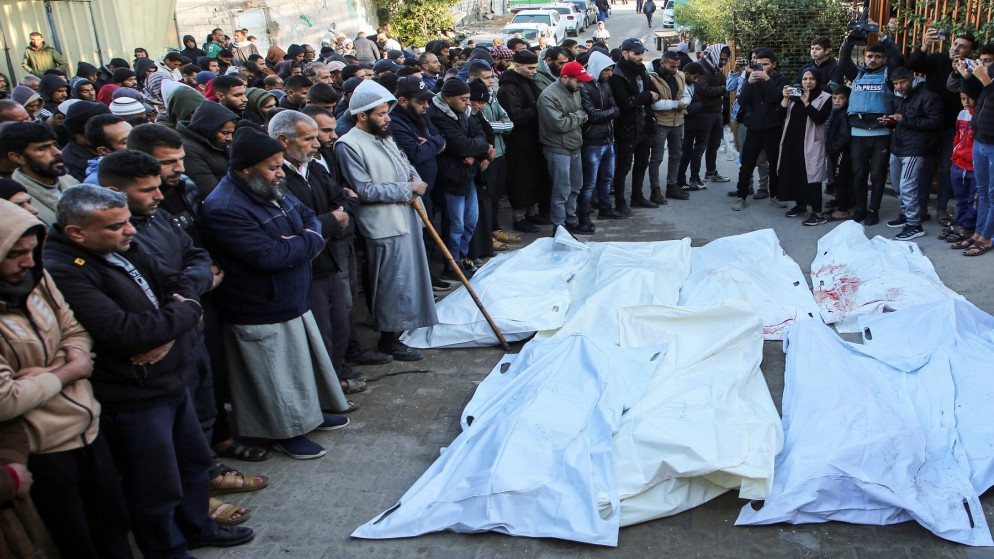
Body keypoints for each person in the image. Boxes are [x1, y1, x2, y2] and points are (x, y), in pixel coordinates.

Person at [45, 185, 255, 556]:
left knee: (191, 465)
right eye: (115, 226)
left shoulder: (125, 244)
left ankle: (197, 527)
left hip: (172, 380)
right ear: (77, 232)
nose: (129, 231)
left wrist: (174, 320)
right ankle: (166, 549)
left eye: (127, 222)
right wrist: (185, 314)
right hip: (134, 397)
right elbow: (124, 333)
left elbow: (179, 281)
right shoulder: (64, 270)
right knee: (154, 486)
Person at [200, 126, 351, 459]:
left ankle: (308, 416)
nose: (280, 172)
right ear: (245, 169)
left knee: (298, 367)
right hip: (258, 305)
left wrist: (302, 240)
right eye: (272, 166)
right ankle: (285, 432)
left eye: (280, 164)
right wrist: (308, 241)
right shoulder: (224, 206)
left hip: (290, 296)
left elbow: (309, 217)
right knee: (274, 377)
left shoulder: (271, 186)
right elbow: (269, 256)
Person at [0, 198, 132, 558]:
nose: (27, 262)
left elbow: (74, 329)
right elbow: (6, 398)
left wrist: (53, 369)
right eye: (15, 254)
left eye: (32, 250)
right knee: (76, 541)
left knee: (113, 528)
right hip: (40, 449)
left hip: (88, 427)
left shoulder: (38, 278)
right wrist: (69, 371)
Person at [335, 79, 438, 360]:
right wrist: (407, 189)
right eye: (380, 114)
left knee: (409, 279)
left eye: (386, 112)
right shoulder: (348, 145)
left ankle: (402, 330)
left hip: (406, 217)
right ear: (361, 116)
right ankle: (389, 339)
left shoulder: (385, 136)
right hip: (383, 224)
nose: (387, 118)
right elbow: (364, 189)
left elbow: (406, 165)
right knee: (393, 284)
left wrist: (414, 180)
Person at [268, 110, 366, 396]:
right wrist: (329, 222)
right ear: (284, 140)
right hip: (304, 266)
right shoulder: (276, 176)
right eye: (309, 138)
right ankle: (323, 392)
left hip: (329, 260)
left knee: (339, 326)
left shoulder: (315, 168)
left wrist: (333, 220)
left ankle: (334, 382)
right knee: (319, 331)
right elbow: (291, 222)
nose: (318, 144)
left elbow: (345, 202)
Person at [907, 29, 976, 225]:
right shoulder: (937, 59)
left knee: (946, 169)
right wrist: (924, 45)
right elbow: (913, 64)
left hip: (954, 127)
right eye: (955, 44)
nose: (956, 48)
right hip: (929, 124)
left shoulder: (971, 67)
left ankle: (942, 210)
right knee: (924, 168)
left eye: (962, 46)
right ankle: (920, 209)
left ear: (969, 51)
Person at [838, 29, 904, 225]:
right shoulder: (857, 74)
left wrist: (883, 37)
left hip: (881, 133)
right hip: (857, 133)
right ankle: (860, 209)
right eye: (870, 56)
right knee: (859, 175)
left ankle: (873, 210)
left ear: (883, 59)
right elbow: (843, 62)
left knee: (876, 175)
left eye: (877, 56)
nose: (873, 59)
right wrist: (849, 40)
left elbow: (898, 58)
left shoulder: (888, 74)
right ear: (864, 57)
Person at [428, 78, 491, 277]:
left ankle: (463, 258)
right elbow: (458, 144)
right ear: (448, 98)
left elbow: (480, 135)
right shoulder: (437, 115)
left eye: (468, 99)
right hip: (451, 176)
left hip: (468, 175)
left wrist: (476, 150)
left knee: (470, 220)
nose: (467, 103)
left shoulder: (465, 113)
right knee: (456, 224)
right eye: (463, 99)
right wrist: (473, 147)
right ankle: (452, 263)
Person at [880, 67, 944, 240]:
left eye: (903, 82)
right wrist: (891, 120)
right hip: (898, 146)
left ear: (912, 78)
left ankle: (914, 224)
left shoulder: (928, 96)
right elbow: (903, 120)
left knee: (907, 186)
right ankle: (906, 214)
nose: (899, 86)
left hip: (915, 149)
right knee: (897, 185)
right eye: (896, 84)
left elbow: (935, 122)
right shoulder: (901, 96)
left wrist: (904, 120)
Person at [498, 49, 548, 233]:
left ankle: (532, 212)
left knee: (533, 176)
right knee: (521, 179)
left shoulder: (527, 81)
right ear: (517, 66)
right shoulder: (509, 87)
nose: (534, 71)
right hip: (518, 142)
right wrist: (536, 108)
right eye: (530, 68)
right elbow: (516, 116)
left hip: (533, 139)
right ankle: (519, 217)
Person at [732, 48, 787, 211]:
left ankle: (775, 195)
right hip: (754, 128)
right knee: (746, 163)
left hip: (773, 127)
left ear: (774, 64)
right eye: (759, 64)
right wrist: (749, 82)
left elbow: (776, 99)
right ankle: (741, 196)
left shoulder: (781, 79)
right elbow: (741, 100)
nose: (762, 68)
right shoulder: (751, 77)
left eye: (766, 64)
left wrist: (766, 79)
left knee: (774, 164)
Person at [538, 61, 590, 234]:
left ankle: (571, 220)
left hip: (574, 145)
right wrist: (579, 116)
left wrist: (574, 116)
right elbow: (559, 124)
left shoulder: (573, 90)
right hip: (558, 148)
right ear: (565, 77)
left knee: (575, 186)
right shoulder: (548, 96)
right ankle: (559, 227)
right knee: (561, 190)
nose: (581, 85)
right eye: (579, 81)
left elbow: (578, 113)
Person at [609, 38, 660, 214]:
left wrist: (647, 96)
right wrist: (646, 96)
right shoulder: (617, 74)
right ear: (625, 53)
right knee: (623, 167)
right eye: (636, 53)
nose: (640, 56)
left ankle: (637, 197)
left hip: (645, 125)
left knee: (641, 163)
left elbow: (656, 93)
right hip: (627, 127)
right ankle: (620, 202)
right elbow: (625, 102)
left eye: (641, 53)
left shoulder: (642, 69)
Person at [776, 69, 832, 225]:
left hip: (811, 142)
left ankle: (818, 213)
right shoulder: (794, 97)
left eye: (812, 79)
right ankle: (800, 205)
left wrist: (807, 102)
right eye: (805, 79)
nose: (808, 82)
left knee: (812, 177)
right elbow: (780, 115)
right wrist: (785, 98)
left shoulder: (825, 97)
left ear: (818, 80)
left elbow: (820, 118)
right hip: (792, 141)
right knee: (795, 173)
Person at [955, 43, 993, 256]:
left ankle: (987, 238)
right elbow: (974, 95)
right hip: (980, 139)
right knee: (983, 192)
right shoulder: (986, 79)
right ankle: (979, 234)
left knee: (993, 194)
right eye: (982, 60)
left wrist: (985, 79)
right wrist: (967, 77)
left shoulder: (989, 79)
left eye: (988, 61)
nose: (982, 64)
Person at [2, 122, 79, 224]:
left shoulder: (71, 181)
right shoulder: (15, 199)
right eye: (43, 148)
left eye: (54, 144)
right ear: (18, 157)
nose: (57, 152)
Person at [580, 51, 621, 222]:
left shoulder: (605, 85)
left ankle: (605, 208)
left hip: (607, 139)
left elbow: (616, 108)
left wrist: (604, 113)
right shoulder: (584, 87)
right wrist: (608, 112)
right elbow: (593, 116)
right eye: (607, 70)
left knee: (606, 178)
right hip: (592, 142)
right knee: (589, 183)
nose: (610, 74)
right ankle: (584, 215)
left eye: (611, 70)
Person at [647, 51, 692, 204]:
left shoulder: (679, 75)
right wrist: (675, 104)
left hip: (678, 121)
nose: (675, 69)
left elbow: (687, 95)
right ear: (662, 63)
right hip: (660, 122)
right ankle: (655, 190)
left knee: (676, 155)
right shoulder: (651, 77)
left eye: (677, 66)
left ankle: (672, 185)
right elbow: (654, 103)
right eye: (672, 66)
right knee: (657, 158)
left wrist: (683, 103)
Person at [178, 100, 238, 197]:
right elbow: (209, 190)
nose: (229, 138)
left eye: (231, 133)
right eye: (225, 133)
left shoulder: (218, 143)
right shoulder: (188, 150)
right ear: (209, 128)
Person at [941, 92, 977, 244]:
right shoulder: (962, 114)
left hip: (974, 167)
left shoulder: (983, 114)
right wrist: (954, 156)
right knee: (960, 198)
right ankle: (960, 223)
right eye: (963, 99)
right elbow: (957, 135)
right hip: (959, 164)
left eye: (970, 98)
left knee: (973, 200)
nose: (966, 102)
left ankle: (969, 227)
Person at [696, 43, 732, 185]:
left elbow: (724, 85)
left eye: (725, 59)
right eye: (721, 59)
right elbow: (704, 90)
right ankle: (694, 177)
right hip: (704, 113)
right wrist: (722, 90)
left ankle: (711, 172)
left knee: (714, 145)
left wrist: (722, 88)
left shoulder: (715, 68)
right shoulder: (701, 67)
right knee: (701, 146)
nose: (722, 62)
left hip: (716, 111)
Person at [826, 85, 853, 221]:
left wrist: (834, 147)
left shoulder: (845, 113)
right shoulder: (837, 112)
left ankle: (843, 210)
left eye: (841, 98)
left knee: (841, 179)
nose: (837, 101)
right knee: (838, 179)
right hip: (835, 151)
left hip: (841, 152)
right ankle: (841, 204)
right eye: (834, 98)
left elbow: (845, 136)